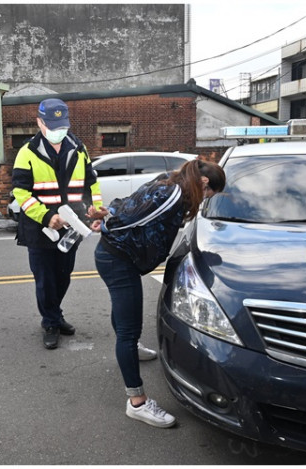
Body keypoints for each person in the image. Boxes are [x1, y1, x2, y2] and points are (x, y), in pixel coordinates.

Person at [93, 159, 225, 427]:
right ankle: (137, 402)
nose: (208, 199)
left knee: (123, 317)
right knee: (129, 330)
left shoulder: (171, 181)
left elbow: (130, 202)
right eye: (210, 194)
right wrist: (107, 222)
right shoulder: (173, 194)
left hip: (116, 257)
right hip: (118, 260)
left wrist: (109, 217)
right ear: (204, 183)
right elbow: (129, 217)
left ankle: (130, 350)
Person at [11, 98, 107, 350]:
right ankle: (51, 322)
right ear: (39, 123)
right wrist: (46, 216)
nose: (58, 130)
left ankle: (55, 314)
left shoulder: (78, 148)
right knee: (45, 279)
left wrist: (95, 208)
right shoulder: (27, 152)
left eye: (62, 125)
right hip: (40, 227)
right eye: (52, 125)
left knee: (64, 276)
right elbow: (20, 193)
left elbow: (91, 183)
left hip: (72, 225)